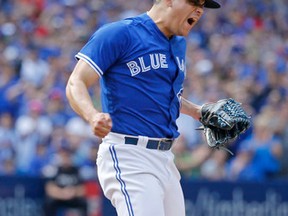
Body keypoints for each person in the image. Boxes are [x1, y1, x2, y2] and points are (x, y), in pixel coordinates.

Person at [66, 0, 221, 215]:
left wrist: (199, 112)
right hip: (129, 155)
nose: (199, 10)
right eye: (194, 1)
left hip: (166, 159)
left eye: (203, 5)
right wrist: (92, 115)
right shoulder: (120, 33)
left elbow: (166, 97)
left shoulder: (178, 43)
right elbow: (76, 81)